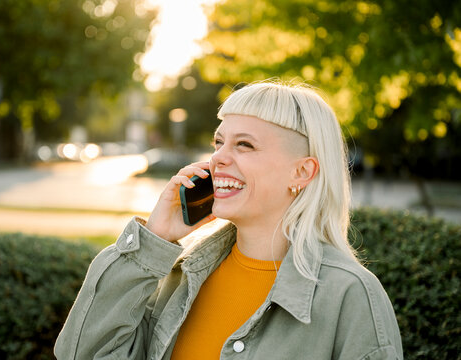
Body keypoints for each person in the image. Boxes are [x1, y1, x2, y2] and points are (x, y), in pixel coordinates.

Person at [54, 81, 403, 360]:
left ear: (302, 171)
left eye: (244, 145)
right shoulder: (183, 274)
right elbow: (84, 352)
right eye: (219, 142)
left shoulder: (352, 296)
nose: (218, 157)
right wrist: (153, 240)